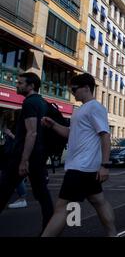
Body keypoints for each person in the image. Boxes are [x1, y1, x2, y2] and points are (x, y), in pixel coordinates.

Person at [41, 73, 117, 237]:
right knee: (99, 202)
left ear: (86, 88)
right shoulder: (81, 110)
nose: (72, 93)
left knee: (62, 209)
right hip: (84, 167)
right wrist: (54, 125)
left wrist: (105, 165)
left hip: (81, 167)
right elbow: (71, 134)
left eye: (74, 89)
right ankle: (113, 234)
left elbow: (105, 135)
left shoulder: (95, 107)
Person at [0, 73, 54, 233]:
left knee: (3, 191)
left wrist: (24, 160)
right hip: (37, 155)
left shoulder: (30, 103)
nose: (17, 85)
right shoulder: (42, 102)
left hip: (23, 156)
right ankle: (49, 229)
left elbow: (32, 133)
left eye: (20, 83)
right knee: (42, 195)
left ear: (31, 86)